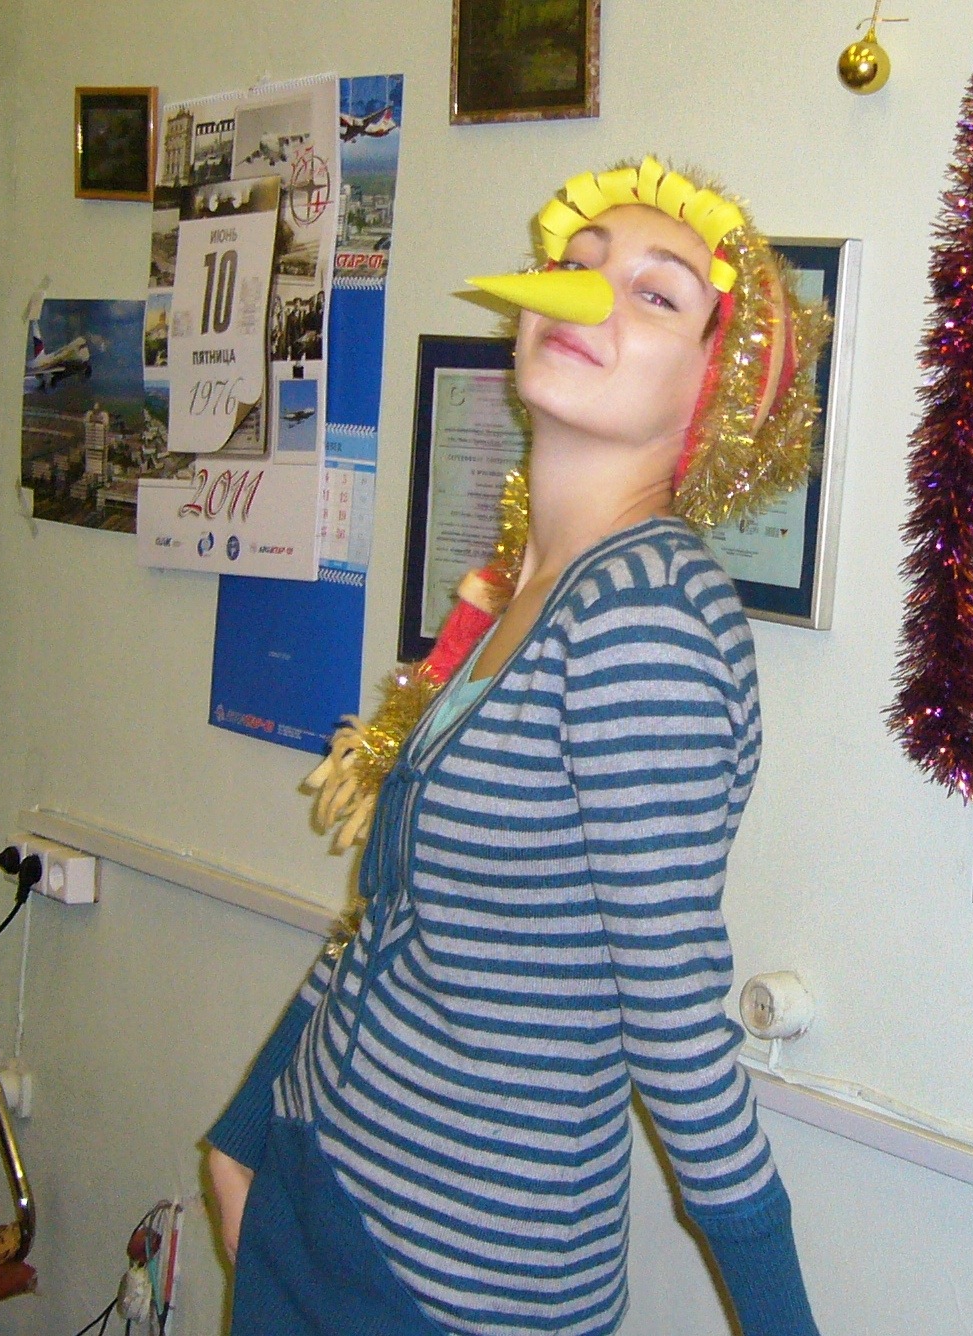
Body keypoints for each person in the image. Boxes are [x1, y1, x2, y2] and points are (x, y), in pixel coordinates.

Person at [207, 155, 826, 1336]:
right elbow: (391, 918)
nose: (586, 295)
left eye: (655, 292)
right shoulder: (522, 592)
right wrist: (250, 1133)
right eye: (578, 265)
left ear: (717, 391)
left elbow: (677, 1031)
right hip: (314, 1182)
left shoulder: (644, 616)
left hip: (454, 1280)